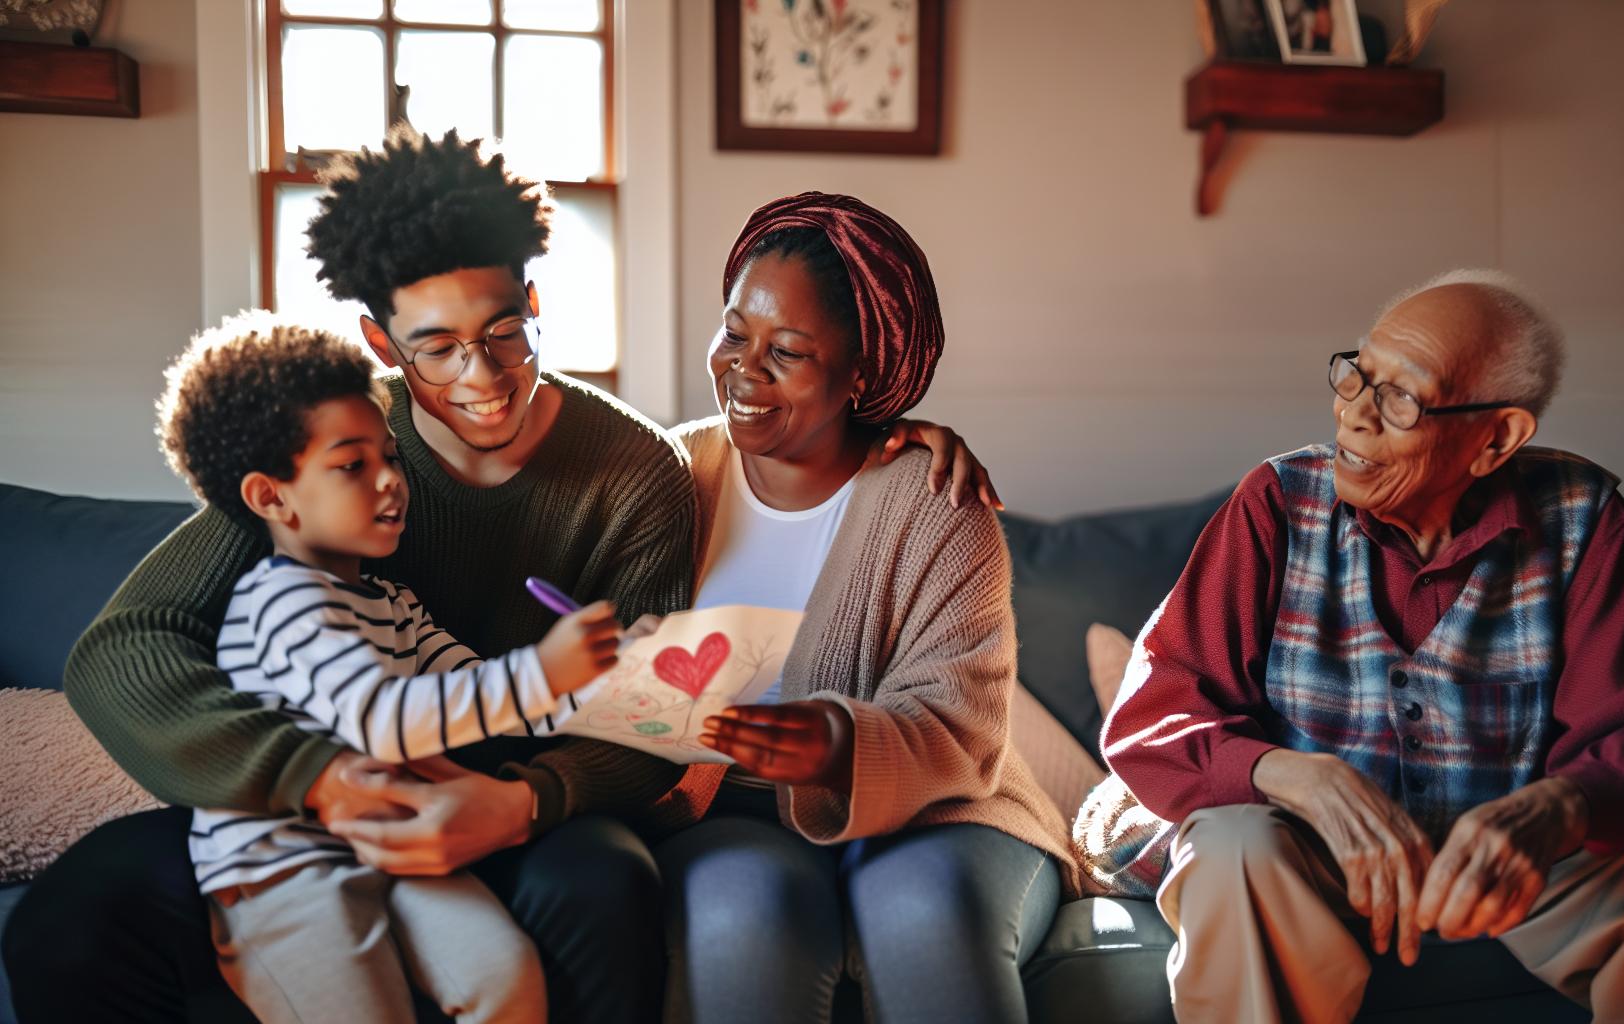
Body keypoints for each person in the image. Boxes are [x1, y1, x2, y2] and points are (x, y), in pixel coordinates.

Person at [0, 129, 994, 1023]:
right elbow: (124, 649)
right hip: (299, 799)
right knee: (69, 923)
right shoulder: (329, 441)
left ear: (532, 303)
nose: (480, 378)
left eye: (503, 334)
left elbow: (649, 726)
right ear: (381, 344)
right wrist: (310, 778)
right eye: (436, 349)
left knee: (600, 885)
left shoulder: (635, 471)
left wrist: (526, 799)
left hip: (513, 803)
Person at [1090, 270, 1624, 1023]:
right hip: (1312, 862)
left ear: (1496, 439)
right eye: (1357, 376)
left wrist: (1559, 805)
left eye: (1400, 398)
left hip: (1506, 870)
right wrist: (1299, 778)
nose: (1353, 416)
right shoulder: (1275, 503)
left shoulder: (1585, 519)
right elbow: (1155, 719)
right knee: (1233, 846)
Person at [641, 193, 1076, 1024]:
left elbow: (963, 724)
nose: (744, 368)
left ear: (864, 374)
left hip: (945, 811)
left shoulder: (937, 500)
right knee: (743, 915)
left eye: (789, 352)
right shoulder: (666, 476)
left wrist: (840, 742)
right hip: (728, 806)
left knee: (923, 909)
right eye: (735, 333)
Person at [159, 313, 626, 1023]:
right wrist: (542, 671)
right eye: (353, 465)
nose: (388, 482)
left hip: (392, 845)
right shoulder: (279, 602)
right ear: (270, 496)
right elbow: (383, 721)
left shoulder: (392, 603)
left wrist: (608, 679)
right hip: (287, 870)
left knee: (505, 976)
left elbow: (476, 688)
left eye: (391, 457)